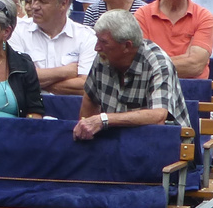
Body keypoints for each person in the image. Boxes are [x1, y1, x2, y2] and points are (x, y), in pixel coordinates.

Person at [72, 10, 191, 139]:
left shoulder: (158, 63)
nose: (97, 47)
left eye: (103, 42)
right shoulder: (103, 57)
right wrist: (87, 133)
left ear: (127, 46)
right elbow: (90, 97)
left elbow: (158, 116)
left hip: (163, 142)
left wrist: (104, 119)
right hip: (118, 142)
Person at [7, 0, 95, 95]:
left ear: (64, 4)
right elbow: (15, 78)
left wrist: (34, 82)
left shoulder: (86, 37)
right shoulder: (16, 32)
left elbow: (86, 86)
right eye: (34, 0)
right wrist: (65, 72)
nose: (34, 6)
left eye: (42, 1)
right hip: (27, 110)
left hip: (70, 110)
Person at [134, 0, 213, 79]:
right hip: (152, 89)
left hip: (193, 91)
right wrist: (185, 59)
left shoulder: (204, 16)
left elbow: (195, 66)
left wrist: (153, 63)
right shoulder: (142, 15)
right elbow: (139, 63)